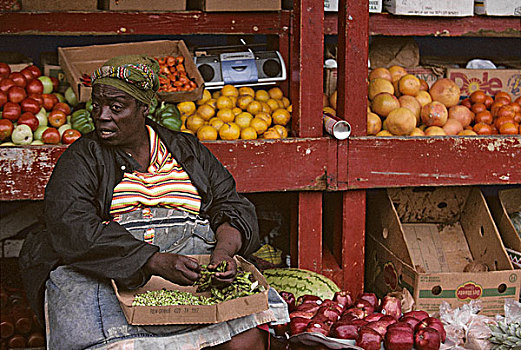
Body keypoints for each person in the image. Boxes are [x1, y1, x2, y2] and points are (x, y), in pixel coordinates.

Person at [19, 55, 288, 350]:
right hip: (108, 275)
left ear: (145, 108)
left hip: (192, 271)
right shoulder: (82, 158)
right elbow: (73, 227)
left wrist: (224, 251)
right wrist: (152, 260)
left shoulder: (187, 150)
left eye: (116, 107)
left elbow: (231, 205)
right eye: (96, 105)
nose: (102, 115)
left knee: (245, 341)